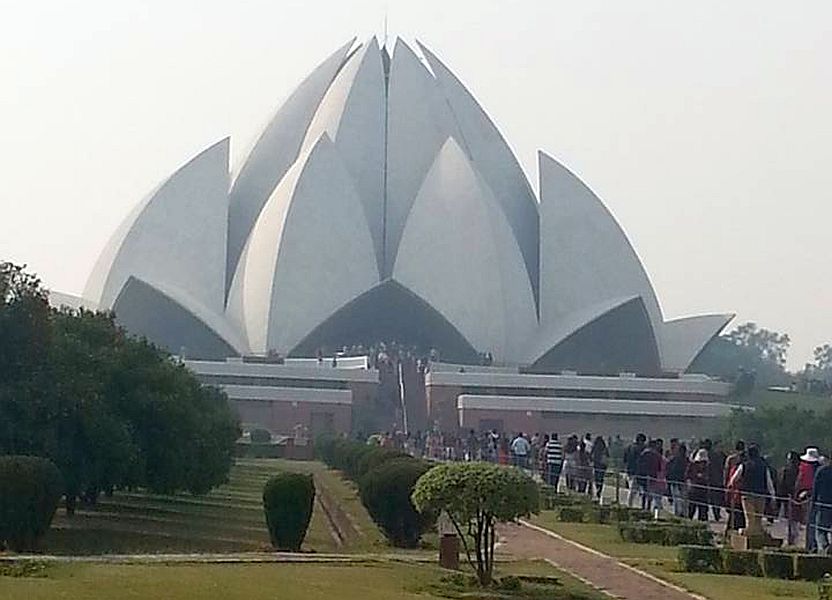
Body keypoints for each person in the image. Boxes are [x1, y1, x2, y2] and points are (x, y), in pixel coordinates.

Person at [727, 444, 776, 537]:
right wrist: (773, 497)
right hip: (761, 496)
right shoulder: (764, 466)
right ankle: (758, 537)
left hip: (747, 496)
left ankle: (745, 535)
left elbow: (733, 479)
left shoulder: (744, 465)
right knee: (758, 520)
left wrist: (731, 488)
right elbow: (769, 482)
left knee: (750, 520)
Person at [797, 447, 822, 552]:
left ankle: (811, 545)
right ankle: (816, 544)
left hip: (807, 495)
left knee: (810, 521)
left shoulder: (804, 468)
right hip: (820, 498)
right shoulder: (821, 469)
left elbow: (800, 481)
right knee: (819, 523)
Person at [778, 451, 801, 545]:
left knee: (787, 519)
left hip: (787, 497)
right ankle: (793, 537)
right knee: (794, 519)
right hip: (795, 497)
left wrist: (779, 498)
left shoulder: (785, 470)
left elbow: (781, 484)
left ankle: (789, 538)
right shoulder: (799, 470)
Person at [724, 440, 747, 531]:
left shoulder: (731, 459)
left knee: (733, 512)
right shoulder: (746, 460)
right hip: (741, 490)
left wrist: (726, 485)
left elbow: (726, 473)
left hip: (733, 489)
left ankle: (729, 532)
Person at [812, 460, 832, 555]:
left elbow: (815, 488)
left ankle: (825, 546)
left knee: (820, 529)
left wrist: (813, 502)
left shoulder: (821, 470)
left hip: (823, 503)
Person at [637, 440, 662, 511]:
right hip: (652, 476)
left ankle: (643, 506)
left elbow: (639, 464)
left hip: (643, 475)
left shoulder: (643, 453)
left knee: (645, 492)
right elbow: (658, 467)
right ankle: (648, 507)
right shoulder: (656, 455)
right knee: (650, 492)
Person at [624, 433, 647, 508]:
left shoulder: (628, 447)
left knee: (632, 489)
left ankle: (630, 504)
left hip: (629, 470)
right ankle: (631, 505)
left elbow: (625, 459)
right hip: (637, 472)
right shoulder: (639, 449)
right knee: (635, 490)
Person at [686, 449, 711, 521]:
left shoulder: (707, 467)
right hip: (694, 489)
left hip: (703, 490)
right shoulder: (692, 465)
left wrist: (705, 477)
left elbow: (709, 476)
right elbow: (687, 475)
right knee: (691, 509)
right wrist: (695, 476)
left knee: (703, 510)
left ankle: (702, 524)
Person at [667, 442, 689, 517]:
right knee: (681, 499)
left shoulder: (674, 459)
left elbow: (669, 471)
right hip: (679, 482)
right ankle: (682, 514)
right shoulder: (685, 460)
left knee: (679, 499)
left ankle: (679, 514)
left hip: (678, 482)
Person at [590, 436, 609, 500]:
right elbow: (608, 455)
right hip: (603, 465)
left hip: (596, 464)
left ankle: (597, 488)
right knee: (601, 478)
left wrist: (592, 460)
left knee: (596, 478)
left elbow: (590, 455)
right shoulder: (604, 447)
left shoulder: (594, 447)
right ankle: (599, 490)